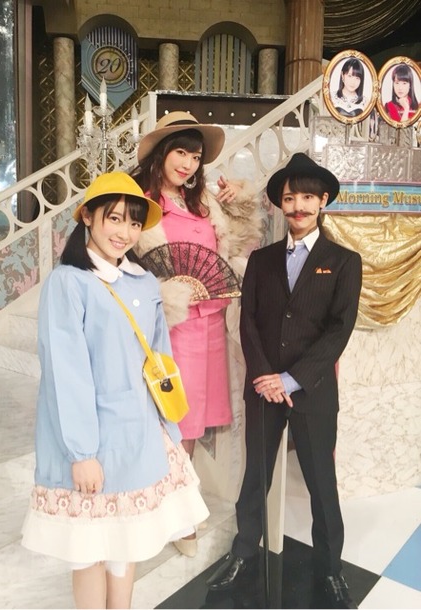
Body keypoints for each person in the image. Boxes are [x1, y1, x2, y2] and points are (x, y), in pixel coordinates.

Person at [21, 172, 209, 609]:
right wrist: (82, 453)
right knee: (90, 549)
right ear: (88, 216)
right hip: (91, 438)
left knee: (126, 544)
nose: (125, 232)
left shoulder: (143, 281)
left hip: (138, 433)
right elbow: (66, 373)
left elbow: (160, 360)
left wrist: (169, 430)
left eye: (134, 222)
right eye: (115, 218)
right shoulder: (68, 282)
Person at [206, 153, 362, 609]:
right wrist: (264, 377)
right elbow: (248, 322)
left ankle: (330, 567)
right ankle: (243, 553)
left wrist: (291, 380)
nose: (298, 207)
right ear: (279, 204)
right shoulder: (262, 259)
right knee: (255, 476)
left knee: (321, 482)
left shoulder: (344, 261)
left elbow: (339, 330)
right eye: (290, 198)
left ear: (323, 201)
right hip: (263, 389)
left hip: (311, 392)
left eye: (307, 198)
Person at [131, 111, 263, 557]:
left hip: (210, 322)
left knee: (192, 422)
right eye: (181, 153)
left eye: (195, 156)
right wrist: (167, 295)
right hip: (173, 324)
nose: (188, 163)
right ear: (161, 153)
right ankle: (170, 509)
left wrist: (237, 205)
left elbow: (236, 250)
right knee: (173, 418)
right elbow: (130, 267)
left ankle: (179, 501)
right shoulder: (142, 203)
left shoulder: (203, 200)